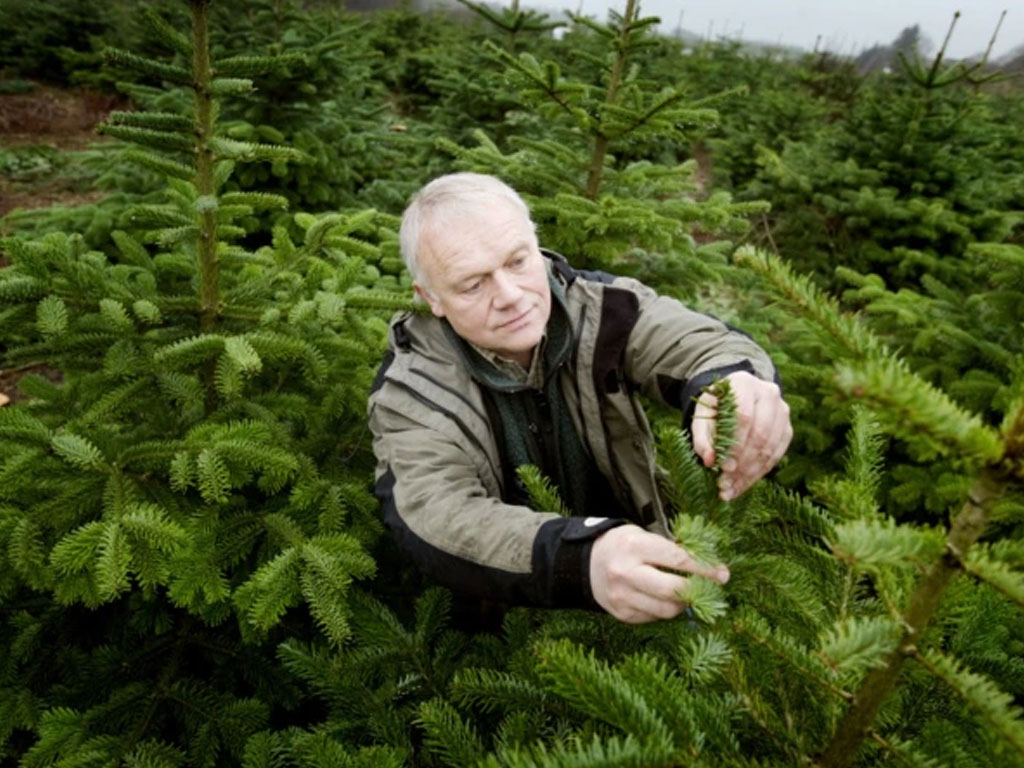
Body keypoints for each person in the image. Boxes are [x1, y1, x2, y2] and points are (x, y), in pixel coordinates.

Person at [368, 173, 792, 624]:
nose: (511, 297)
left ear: (536, 245)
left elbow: (703, 345)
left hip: (652, 585)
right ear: (430, 298)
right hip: (508, 636)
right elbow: (439, 514)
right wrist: (581, 559)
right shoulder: (412, 387)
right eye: (473, 285)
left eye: (517, 261)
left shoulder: (605, 308)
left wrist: (733, 386)